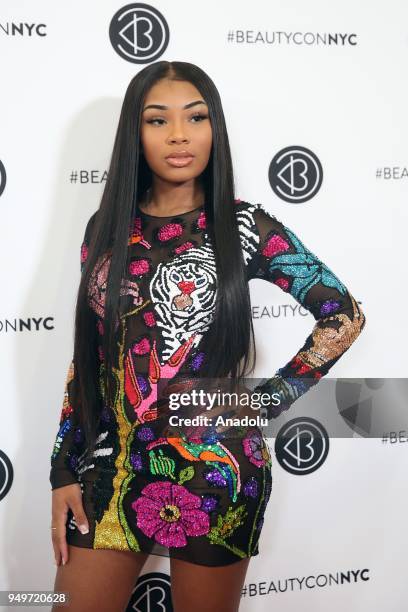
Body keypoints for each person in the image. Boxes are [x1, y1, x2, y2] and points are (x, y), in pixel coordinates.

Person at [49, 61, 366, 611]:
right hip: (110, 468)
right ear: (135, 133)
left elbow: (343, 315)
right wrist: (62, 467)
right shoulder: (103, 228)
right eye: (157, 120)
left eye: (196, 117)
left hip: (213, 474)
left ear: (214, 127)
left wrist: (257, 407)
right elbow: (92, 359)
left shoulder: (246, 227)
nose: (178, 135)